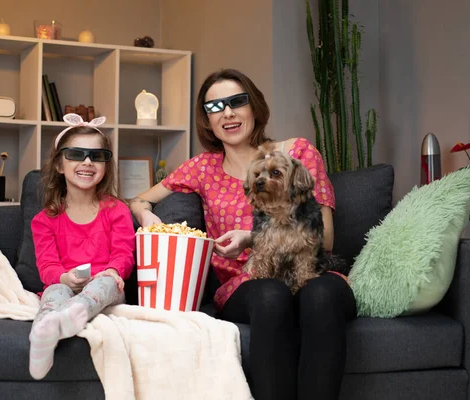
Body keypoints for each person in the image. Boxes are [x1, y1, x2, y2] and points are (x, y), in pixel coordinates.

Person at [129, 69, 356, 400]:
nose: (227, 113)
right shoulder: (201, 168)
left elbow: (324, 240)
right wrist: (145, 214)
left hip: (310, 271)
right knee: (271, 294)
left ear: (255, 107)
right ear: (206, 121)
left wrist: (252, 237)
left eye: (237, 102)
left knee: (321, 295)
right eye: (215, 107)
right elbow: (137, 199)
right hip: (247, 284)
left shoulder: (297, 152)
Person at [29, 114, 135, 380]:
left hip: (105, 289)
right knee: (55, 289)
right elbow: (47, 266)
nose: (87, 162)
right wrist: (65, 278)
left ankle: (76, 313)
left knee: (107, 283)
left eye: (96, 156)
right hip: (66, 284)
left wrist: (112, 271)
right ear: (59, 165)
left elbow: (123, 253)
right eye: (77, 154)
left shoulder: (117, 211)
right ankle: (43, 335)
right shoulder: (43, 221)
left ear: (105, 166)